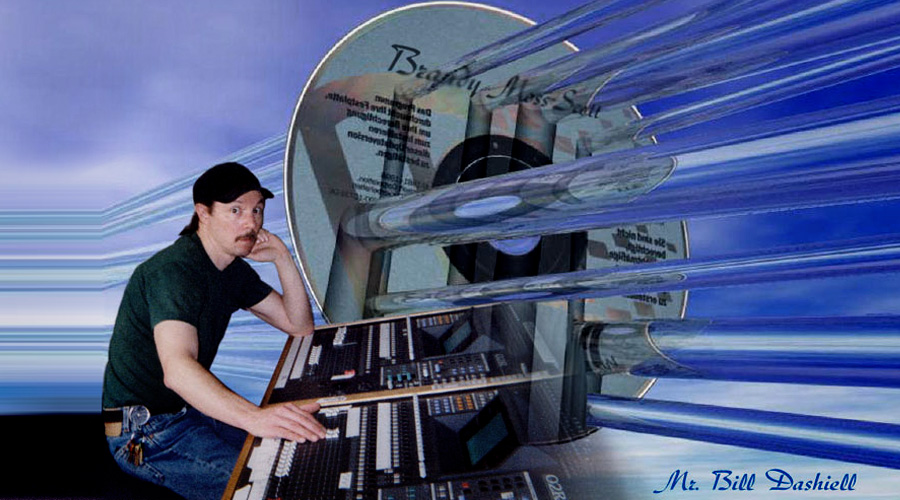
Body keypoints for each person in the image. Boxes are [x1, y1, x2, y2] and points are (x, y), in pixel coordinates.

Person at [101, 162, 326, 500]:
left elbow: (299, 326)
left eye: (257, 210)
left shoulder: (232, 270)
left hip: (186, 413)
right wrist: (254, 418)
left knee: (299, 456)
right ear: (203, 213)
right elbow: (178, 371)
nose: (251, 223)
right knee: (272, 488)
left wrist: (282, 257)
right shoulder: (174, 271)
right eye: (235, 210)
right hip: (143, 435)